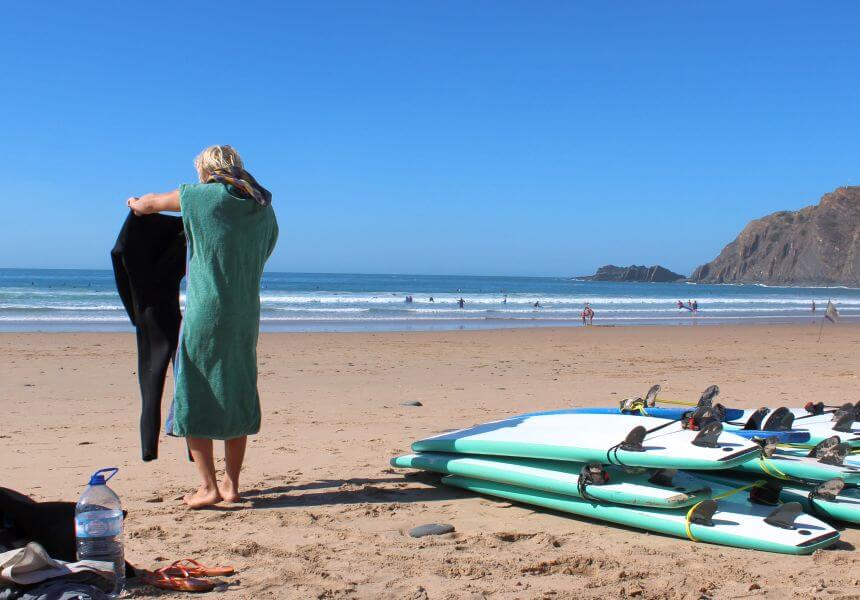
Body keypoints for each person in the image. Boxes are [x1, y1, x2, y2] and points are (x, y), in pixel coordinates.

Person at [126, 145, 278, 509]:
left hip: (207, 311)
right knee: (237, 389)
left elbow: (151, 204)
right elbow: (265, 250)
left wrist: (134, 203)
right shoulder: (263, 208)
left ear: (205, 170)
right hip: (245, 313)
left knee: (194, 390)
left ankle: (208, 486)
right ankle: (232, 486)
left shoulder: (199, 196)